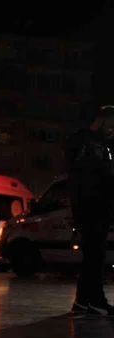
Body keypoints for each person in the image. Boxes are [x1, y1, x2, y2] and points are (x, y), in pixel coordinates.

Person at [66, 105, 114, 315]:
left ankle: (83, 301)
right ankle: (95, 301)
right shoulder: (90, 144)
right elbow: (95, 176)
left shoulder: (91, 143)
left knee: (92, 256)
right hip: (93, 206)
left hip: (91, 205)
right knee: (95, 256)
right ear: (103, 120)